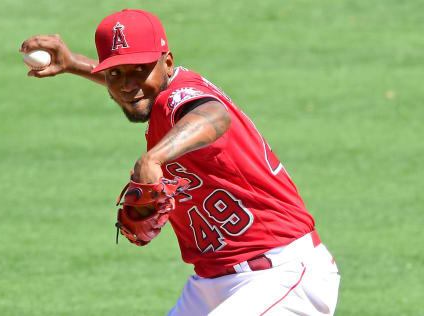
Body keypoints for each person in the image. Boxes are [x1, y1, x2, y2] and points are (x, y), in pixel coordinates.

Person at [20, 9, 340, 316]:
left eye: (140, 69)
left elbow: (214, 114)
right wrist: (74, 63)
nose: (127, 84)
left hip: (280, 273)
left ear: (168, 61)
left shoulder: (181, 98)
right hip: (211, 283)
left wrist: (153, 158)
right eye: (114, 72)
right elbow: (133, 87)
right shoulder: (157, 96)